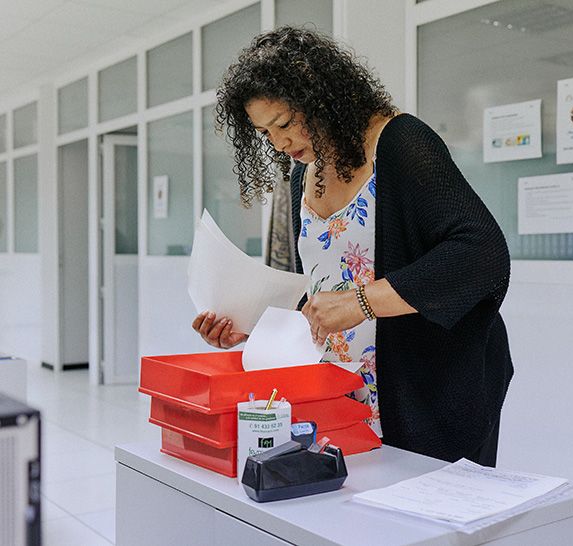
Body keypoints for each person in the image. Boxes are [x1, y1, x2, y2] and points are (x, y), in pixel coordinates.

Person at [192, 26, 512, 466]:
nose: (280, 143)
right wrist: (255, 330)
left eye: (285, 123)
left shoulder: (399, 144)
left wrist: (361, 302)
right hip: (342, 390)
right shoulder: (302, 176)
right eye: (266, 133)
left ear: (319, 96)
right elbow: (326, 289)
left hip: (425, 391)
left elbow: (481, 253)